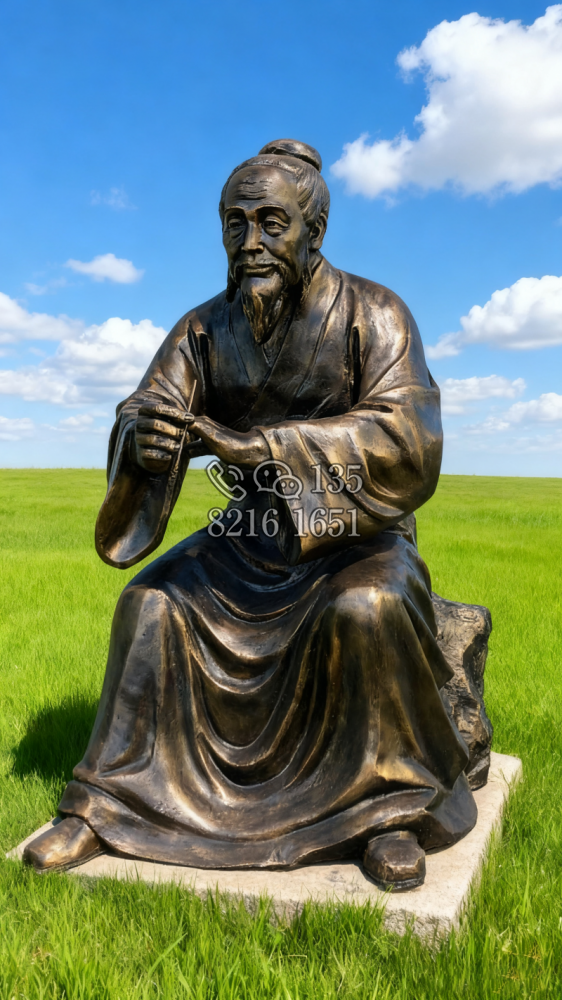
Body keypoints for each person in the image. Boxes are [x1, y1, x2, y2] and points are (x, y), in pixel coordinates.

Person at [24, 139, 476, 890]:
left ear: (314, 231)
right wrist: (147, 439)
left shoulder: (376, 313)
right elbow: (147, 405)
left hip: (352, 538)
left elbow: (409, 437)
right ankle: (111, 804)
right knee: (150, 605)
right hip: (248, 536)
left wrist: (261, 447)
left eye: (272, 222)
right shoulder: (203, 329)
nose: (251, 242)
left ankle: (386, 811)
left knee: (367, 609)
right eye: (235, 224)